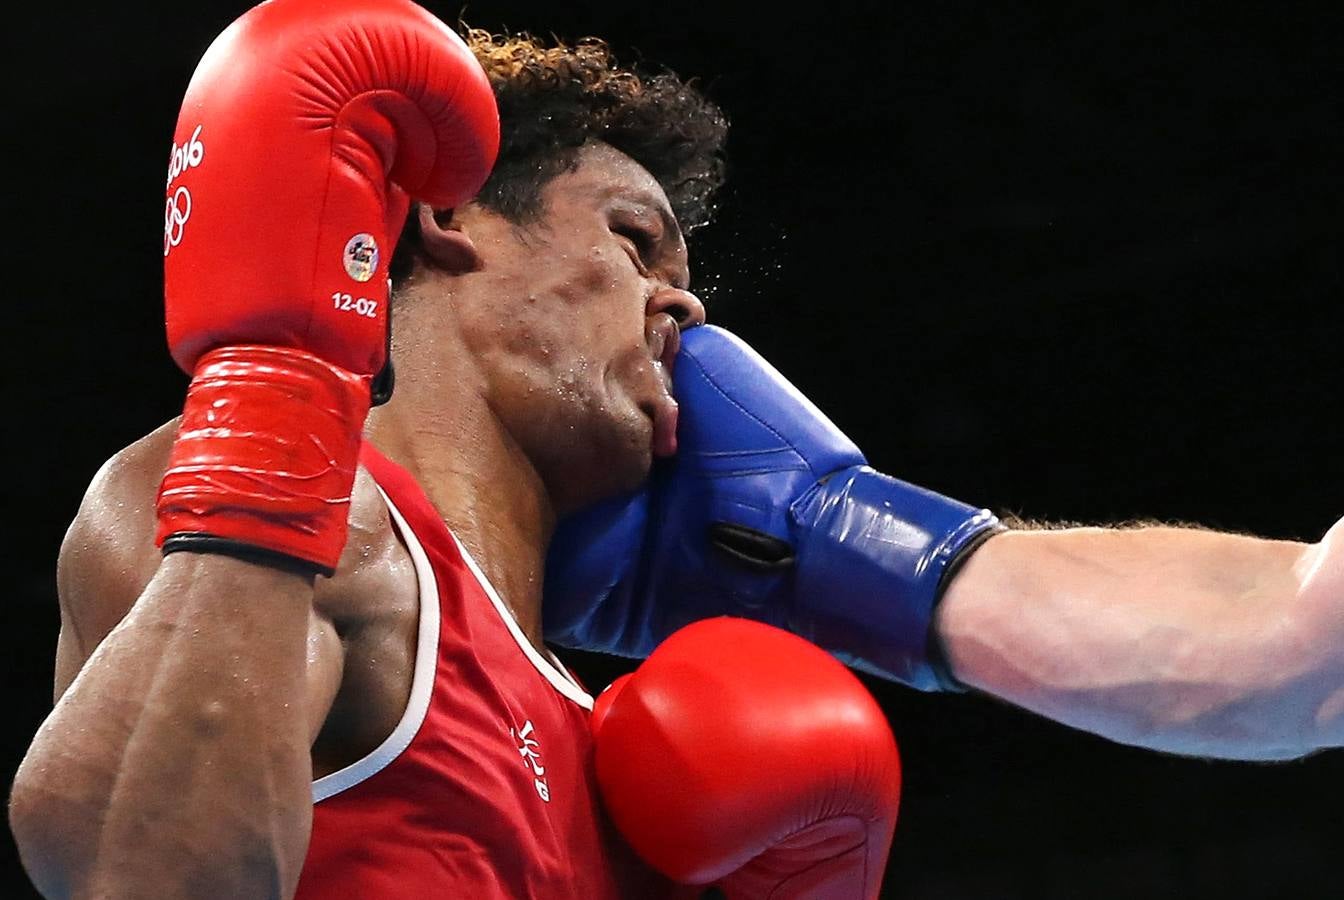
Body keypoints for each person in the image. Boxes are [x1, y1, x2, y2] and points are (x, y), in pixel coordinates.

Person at [9, 1, 904, 898]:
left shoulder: (638, 759)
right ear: (449, 217)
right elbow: (133, 877)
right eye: (634, 244)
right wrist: (274, 408)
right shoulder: (317, 526)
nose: (685, 309)